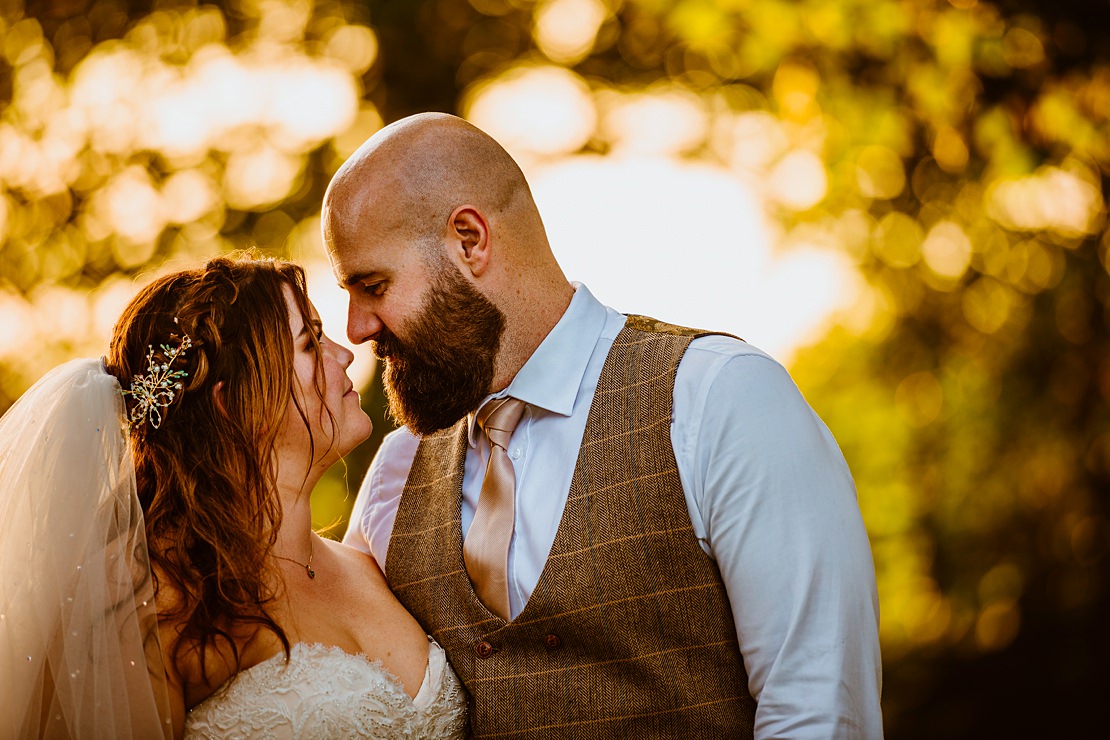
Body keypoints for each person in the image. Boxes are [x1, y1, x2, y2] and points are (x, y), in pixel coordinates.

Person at [324, 112, 884, 738]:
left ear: (470, 240)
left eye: (374, 285)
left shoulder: (720, 399)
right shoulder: (395, 474)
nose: (356, 328)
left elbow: (820, 711)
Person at [0, 254, 467, 738]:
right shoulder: (151, 598)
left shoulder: (371, 562)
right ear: (234, 402)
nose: (344, 353)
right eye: (310, 343)